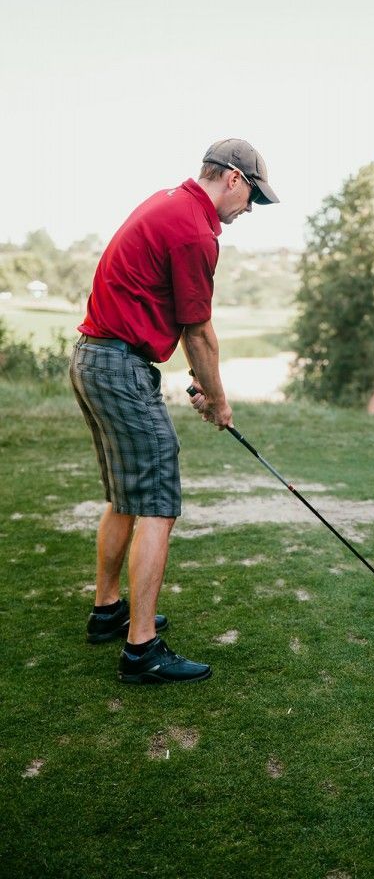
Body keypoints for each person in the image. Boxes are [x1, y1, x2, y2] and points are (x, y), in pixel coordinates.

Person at [69, 138, 279, 685]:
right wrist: (219, 399)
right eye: (253, 195)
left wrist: (199, 382)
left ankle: (107, 610)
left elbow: (171, 318)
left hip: (96, 358)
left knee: (126, 495)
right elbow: (200, 333)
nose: (250, 209)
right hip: (119, 366)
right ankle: (141, 650)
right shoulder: (195, 229)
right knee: (158, 502)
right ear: (233, 178)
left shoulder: (170, 202)